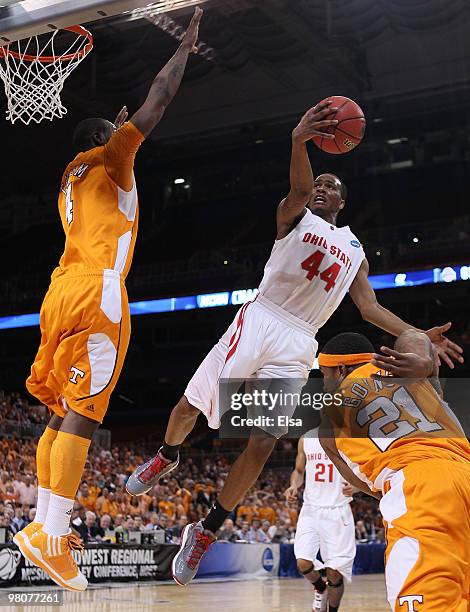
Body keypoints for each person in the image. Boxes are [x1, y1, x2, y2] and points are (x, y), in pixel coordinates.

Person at [126, 103, 463, 587]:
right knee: (186, 411)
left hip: (300, 341)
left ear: (343, 203)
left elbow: (368, 308)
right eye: (320, 184)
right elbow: (300, 188)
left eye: (333, 187)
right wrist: (296, 140)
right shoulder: (293, 215)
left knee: (263, 443)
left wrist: (415, 333)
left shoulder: (354, 250)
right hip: (261, 318)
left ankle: (205, 531)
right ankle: (167, 454)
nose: (322, 190)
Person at [12, 7, 204, 592]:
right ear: (107, 138)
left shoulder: (73, 175)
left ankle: (43, 528)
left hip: (58, 293)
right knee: (83, 413)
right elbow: (159, 101)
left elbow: (118, 145)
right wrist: (182, 52)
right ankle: (52, 532)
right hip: (97, 293)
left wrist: (116, 134)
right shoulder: (112, 157)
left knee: (58, 414)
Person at [317, 330, 470, 611]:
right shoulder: (405, 368)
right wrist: (424, 360)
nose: (325, 384)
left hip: (419, 486)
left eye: (325, 375)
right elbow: (412, 335)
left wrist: (387, 494)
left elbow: (352, 473)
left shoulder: (331, 412)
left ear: (339, 369)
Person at [284, 428, 357, 612]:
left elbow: (364, 470)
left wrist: (356, 487)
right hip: (311, 509)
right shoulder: (306, 439)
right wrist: (294, 485)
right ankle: (320, 588)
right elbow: (299, 471)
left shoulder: (348, 439)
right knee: (303, 562)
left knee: (334, 572)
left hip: (337, 510)